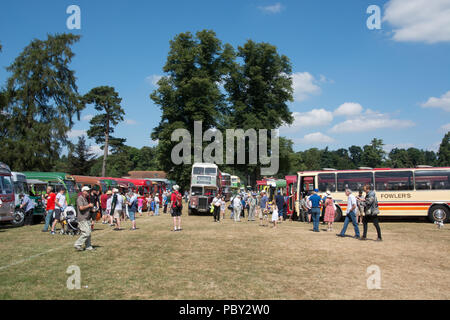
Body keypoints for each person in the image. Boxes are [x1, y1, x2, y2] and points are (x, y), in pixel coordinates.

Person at [74, 186, 95, 251]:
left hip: (87, 218)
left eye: (89, 191)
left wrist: (91, 209)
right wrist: (89, 205)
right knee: (86, 233)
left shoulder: (86, 198)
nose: (88, 192)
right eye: (87, 191)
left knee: (89, 233)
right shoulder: (80, 198)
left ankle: (88, 246)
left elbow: (86, 207)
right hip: (82, 218)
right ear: (83, 191)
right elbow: (81, 208)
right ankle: (77, 244)